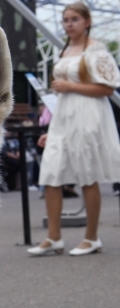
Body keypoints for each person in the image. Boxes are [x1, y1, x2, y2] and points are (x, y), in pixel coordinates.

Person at [27, 1, 120, 257]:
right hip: (64, 116)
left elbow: (108, 88)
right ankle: (54, 237)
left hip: (88, 116)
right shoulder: (64, 51)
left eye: (74, 19)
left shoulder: (98, 51)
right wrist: (52, 127)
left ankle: (92, 237)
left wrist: (72, 87)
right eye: (66, 19)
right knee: (50, 174)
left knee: (86, 174)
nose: (68, 24)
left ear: (87, 21)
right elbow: (62, 94)